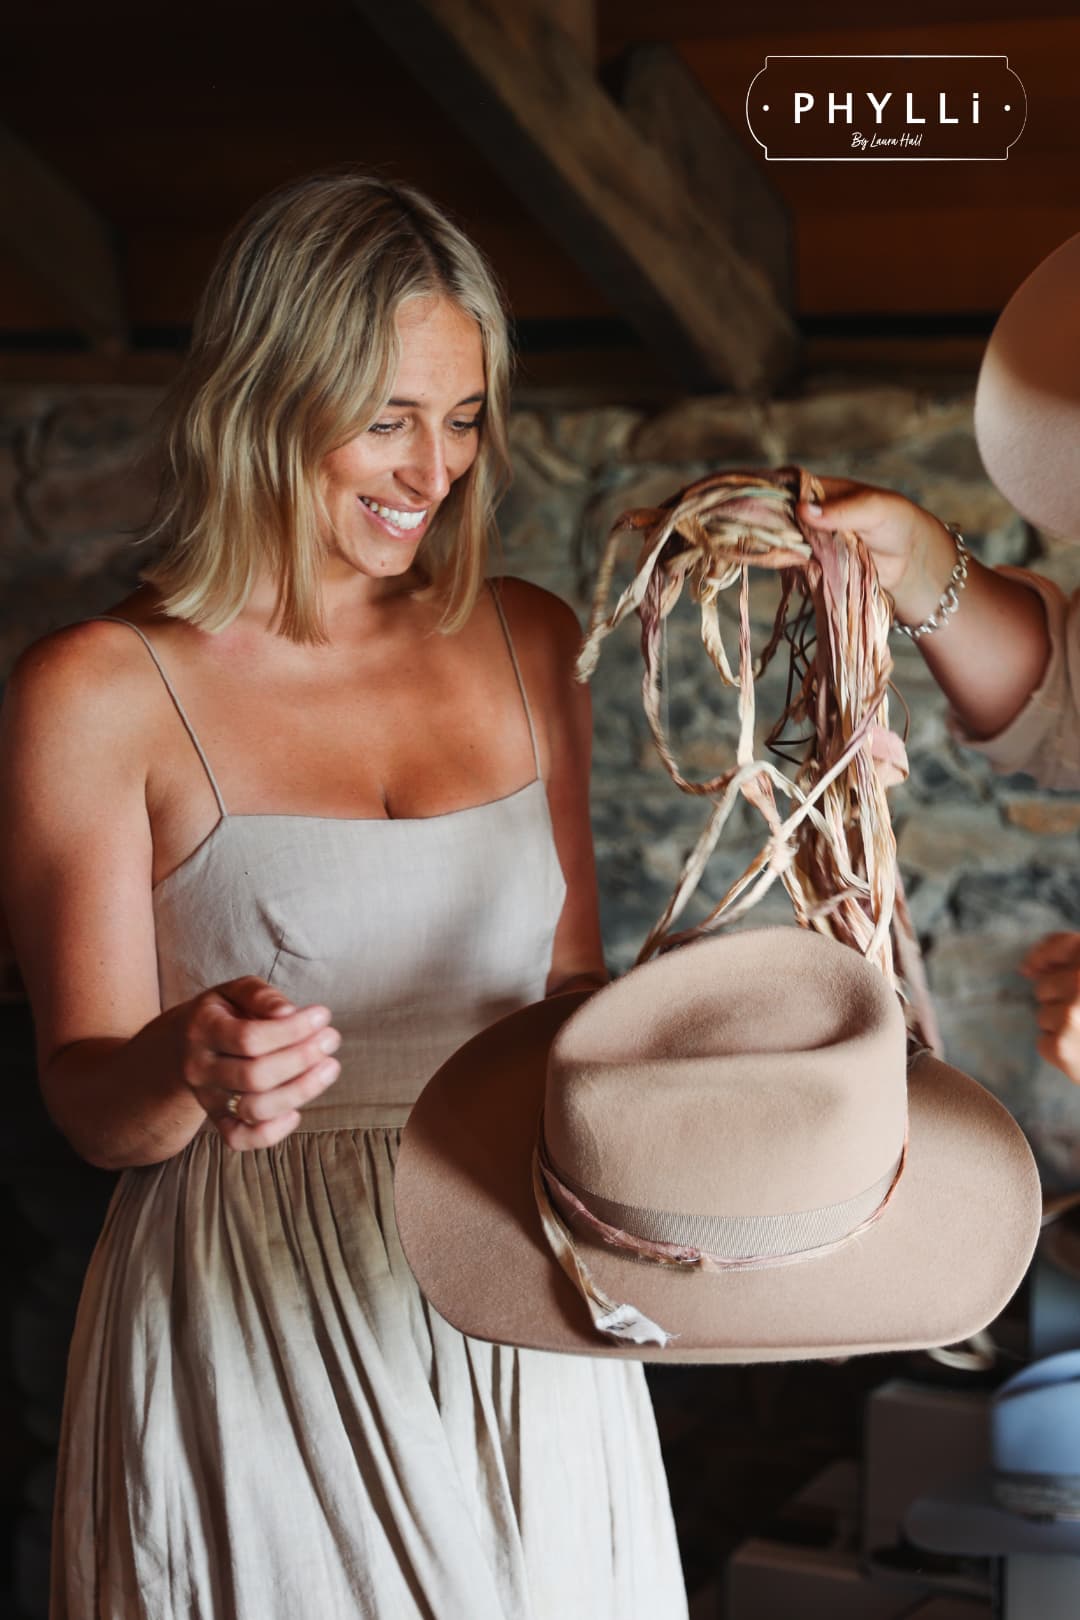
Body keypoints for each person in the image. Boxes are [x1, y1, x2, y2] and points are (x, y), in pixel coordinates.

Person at [0, 173, 686, 1619]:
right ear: (264, 394)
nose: (431, 469)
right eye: (387, 417)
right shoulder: (95, 690)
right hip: (250, 1308)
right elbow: (86, 1101)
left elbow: (563, 999)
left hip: (516, 1289)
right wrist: (190, 1063)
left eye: (463, 416)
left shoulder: (526, 639)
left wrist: (681, 1045)